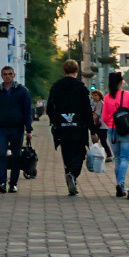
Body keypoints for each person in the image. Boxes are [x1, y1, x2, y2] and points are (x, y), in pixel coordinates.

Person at [48, 59, 100, 196]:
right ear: (77, 71)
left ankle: (70, 178)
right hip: (79, 128)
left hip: (62, 128)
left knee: (67, 154)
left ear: (63, 71)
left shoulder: (56, 87)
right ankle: (72, 175)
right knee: (80, 154)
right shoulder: (81, 88)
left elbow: (49, 108)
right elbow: (88, 112)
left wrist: (55, 121)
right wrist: (93, 131)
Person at [0, 66, 33, 193]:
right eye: (5, 74)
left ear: (14, 75)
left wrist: (29, 129)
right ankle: (1, 182)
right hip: (1, 128)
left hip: (17, 128)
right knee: (1, 154)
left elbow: (27, 110)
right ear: (1, 76)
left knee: (16, 155)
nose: (8, 76)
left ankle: (13, 183)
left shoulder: (22, 91)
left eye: (10, 74)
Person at [101, 72, 129, 198]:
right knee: (125, 158)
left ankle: (120, 185)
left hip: (112, 130)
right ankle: (120, 183)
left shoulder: (107, 97)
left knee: (117, 159)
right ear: (121, 82)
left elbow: (104, 117)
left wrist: (111, 124)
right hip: (127, 130)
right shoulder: (128, 95)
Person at [89, 87, 110, 160]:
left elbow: (96, 114)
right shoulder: (94, 103)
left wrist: (90, 121)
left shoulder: (100, 103)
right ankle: (96, 154)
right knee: (95, 140)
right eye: (93, 95)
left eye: (96, 95)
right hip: (98, 125)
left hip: (102, 125)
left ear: (100, 96)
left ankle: (109, 155)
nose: (94, 97)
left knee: (103, 141)